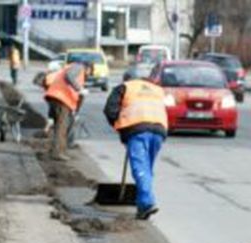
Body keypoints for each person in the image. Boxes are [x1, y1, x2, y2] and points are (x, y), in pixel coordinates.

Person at [103, 76, 168, 220]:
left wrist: (120, 128)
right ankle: (141, 207)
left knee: (140, 167)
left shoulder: (124, 87)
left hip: (137, 130)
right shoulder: (157, 90)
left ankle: (147, 203)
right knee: (146, 168)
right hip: (159, 129)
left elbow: (110, 110)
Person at [44, 61, 91, 160]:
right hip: (61, 99)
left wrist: (75, 111)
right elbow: (69, 76)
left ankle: (57, 150)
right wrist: (80, 89)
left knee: (60, 127)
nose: (88, 75)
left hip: (58, 98)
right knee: (62, 127)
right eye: (89, 72)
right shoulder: (79, 66)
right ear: (88, 68)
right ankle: (57, 153)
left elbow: (78, 97)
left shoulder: (74, 68)